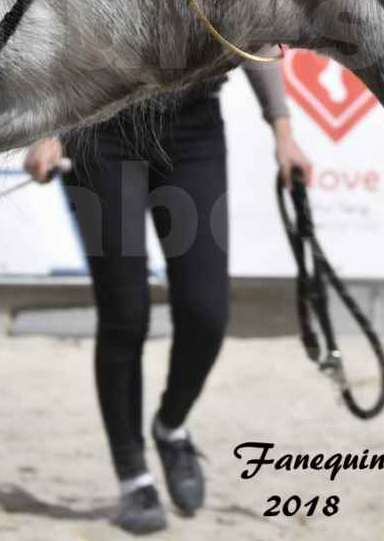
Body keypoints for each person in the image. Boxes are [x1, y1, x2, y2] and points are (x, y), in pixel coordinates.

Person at [23, 61, 312, 534]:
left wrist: (283, 131)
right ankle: (133, 477)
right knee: (125, 312)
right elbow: (58, 19)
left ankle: (170, 427)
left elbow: (255, 35)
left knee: (207, 313)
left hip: (191, 128)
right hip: (98, 127)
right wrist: (49, 127)